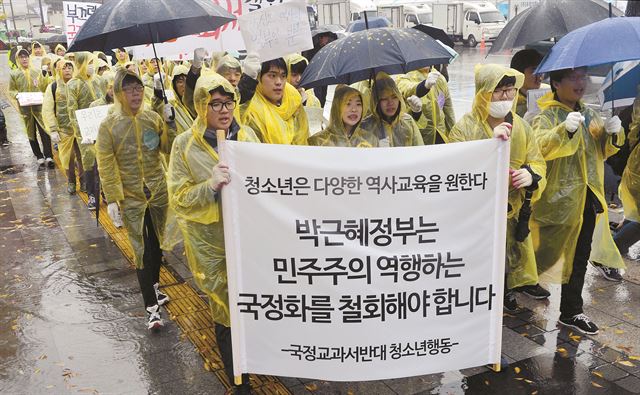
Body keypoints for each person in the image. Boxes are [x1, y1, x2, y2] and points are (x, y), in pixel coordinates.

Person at [167, 73, 259, 395]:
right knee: (225, 311)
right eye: (215, 103)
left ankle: (256, 362)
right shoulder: (184, 146)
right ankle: (239, 382)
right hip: (212, 245)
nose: (224, 109)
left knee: (251, 306)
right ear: (201, 106)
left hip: (249, 238)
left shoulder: (246, 137)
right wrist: (208, 186)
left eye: (228, 101)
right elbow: (178, 197)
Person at [530, 67, 624, 335]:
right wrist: (564, 130)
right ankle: (508, 287)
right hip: (556, 202)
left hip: (586, 198)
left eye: (582, 77)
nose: (580, 82)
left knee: (580, 257)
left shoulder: (590, 114)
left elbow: (603, 150)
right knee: (539, 257)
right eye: (573, 77)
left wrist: (613, 133)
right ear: (556, 83)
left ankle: (571, 311)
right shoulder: (546, 115)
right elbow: (539, 146)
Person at [449, 64, 548, 312]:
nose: (505, 97)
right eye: (499, 91)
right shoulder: (466, 127)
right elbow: (452, 168)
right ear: (484, 92)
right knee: (480, 259)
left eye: (510, 91)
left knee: (509, 254)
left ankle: (506, 290)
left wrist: (532, 175)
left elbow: (538, 160)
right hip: (477, 212)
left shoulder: (522, 127)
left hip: (512, 208)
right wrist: (488, 149)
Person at [97, 69, 173, 330]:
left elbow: (167, 148)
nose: (136, 93)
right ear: (119, 94)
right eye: (129, 89)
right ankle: (151, 308)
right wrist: (114, 199)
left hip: (158, 192)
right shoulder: (109, 126)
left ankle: (154, 287)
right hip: (131, 198)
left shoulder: (152, 117)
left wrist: (169, 123)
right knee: (142, 251)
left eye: (139, 88)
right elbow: (106, 164)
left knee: (159, 245)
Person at [243, 58, 309, 145]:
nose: (279, 82)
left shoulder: (294, 101)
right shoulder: (249, 110)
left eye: (283, 76)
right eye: (272, 76)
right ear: (259, 78)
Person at [68, 52, 104, 210]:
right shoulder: (73, 84)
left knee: (104, 160)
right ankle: (92, 194)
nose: (91, 66)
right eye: (88, 62)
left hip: (102, 128)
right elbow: (72, 110)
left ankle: (105, 192)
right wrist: (81, 133)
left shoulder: (98, 80)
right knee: (89, 162)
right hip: (86, 132)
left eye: (92, 62)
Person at [42, 59, 84, 194]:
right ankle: (71, 182)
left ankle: (84, 182)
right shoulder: (53, 87)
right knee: (68, 159)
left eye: (69, 67)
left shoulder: (78, 85)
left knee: (83, 157)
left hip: (80, 129)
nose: (67, 70)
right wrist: (53, 129)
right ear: (59, 70)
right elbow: (48, 109)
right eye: (64, 68)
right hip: (63, 131)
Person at [8, 46, 52, 168]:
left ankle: (49, 155)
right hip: (25, 109)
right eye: (21, 57)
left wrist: (42, 93)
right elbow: (11, 90)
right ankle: (39, 156)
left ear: (29, 57)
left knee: (44, 131)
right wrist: (17, 95)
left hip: (39, 107)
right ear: (17, 59)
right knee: (31, 132)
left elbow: (45, 86)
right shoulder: (14, 74)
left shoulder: (37, 71)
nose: (24, 59)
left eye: (26, 56)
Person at [359, 72, 424, 147]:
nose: (390, 103)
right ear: (376, 101)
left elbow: (419, 150)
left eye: (394, 97)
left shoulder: (407, 121)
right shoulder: (366, 126)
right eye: (384, 99)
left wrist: (417, 112)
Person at [397, 67, 456, 144]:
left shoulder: (439, 77)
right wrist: (424, 85)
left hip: (441, 135)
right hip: (418, 137)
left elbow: (448, 109)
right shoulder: (405, 77)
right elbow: (408, 89)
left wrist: (454, 136)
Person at [308, 85, 378, 147]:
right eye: (348, 104)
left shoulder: (370, 140)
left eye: (358, 104)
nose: (354, 109)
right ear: (337, 107)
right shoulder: (318, 141)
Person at [153, 65, 194, 136]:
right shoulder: (171, 106)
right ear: (174, 85)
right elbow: (158, 105)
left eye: (187, 81)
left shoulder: (196, 103)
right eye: (180, 81)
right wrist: (158, 91)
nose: (184, 85)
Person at [510, 49, 549, 121]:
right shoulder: (510, 101)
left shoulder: (548, 93)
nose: (540, 76)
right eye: (534, 71)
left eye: (541, 70)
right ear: (519, 73)